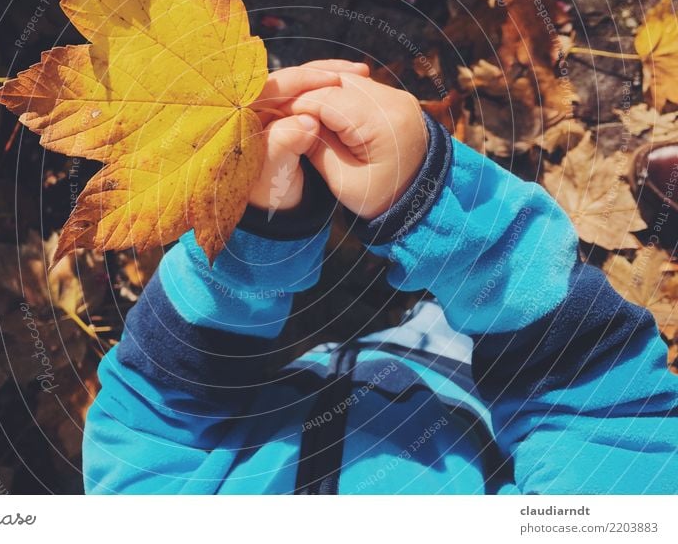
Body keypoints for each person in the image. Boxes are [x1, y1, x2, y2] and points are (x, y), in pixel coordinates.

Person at [82, 60, 678, 494]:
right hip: (494, 384)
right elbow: (608, 424)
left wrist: (258, 234)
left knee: (433, 317)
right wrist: (436, 207)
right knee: (505, 308)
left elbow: (153, 414)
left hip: (381, 353)